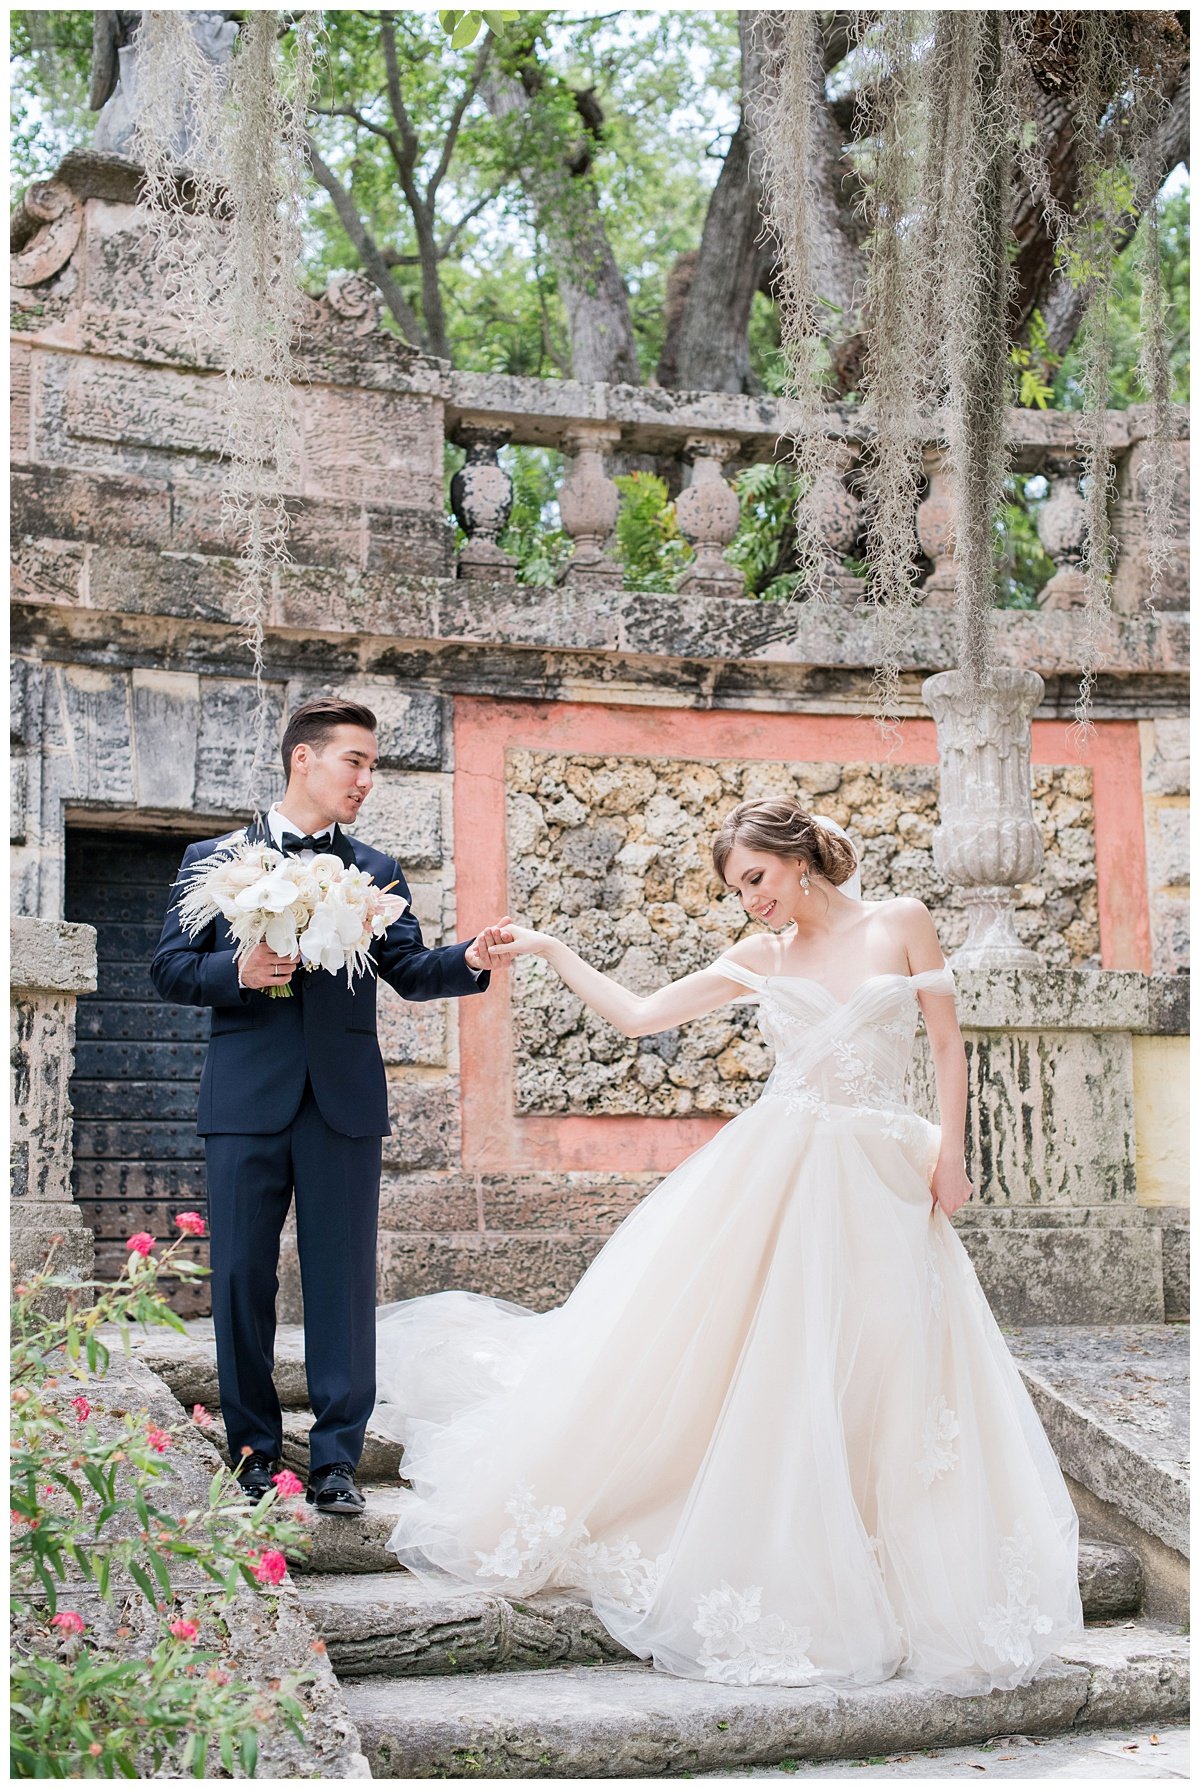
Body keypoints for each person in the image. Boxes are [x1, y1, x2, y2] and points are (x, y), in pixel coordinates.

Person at [373, 798, 1084, 1691]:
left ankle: (894, 1564)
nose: (749, 899)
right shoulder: (758, 956)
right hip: (780, 1173)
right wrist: (553, 950)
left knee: (894, 1356)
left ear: (797, 858)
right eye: (735, 889)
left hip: (884, 1175)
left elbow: (949, 1044)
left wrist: (954, 1154)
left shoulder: (900, 922)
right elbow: (638, 1017)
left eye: (755, 878)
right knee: (780, 1355)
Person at [151, 697, 510, 1515]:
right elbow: (169, 967)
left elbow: (412, 970)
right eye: (357, 761)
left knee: (342, 1282)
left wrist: (472, 958)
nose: (368, 779)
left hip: (342, 1103)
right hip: (244, 1099)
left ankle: (336, 1459)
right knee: (241, 1275)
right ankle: (252, 1452)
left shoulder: (376, 869)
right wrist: (233, 974)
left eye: (374, 765)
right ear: (303, 760)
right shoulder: (214, 857)